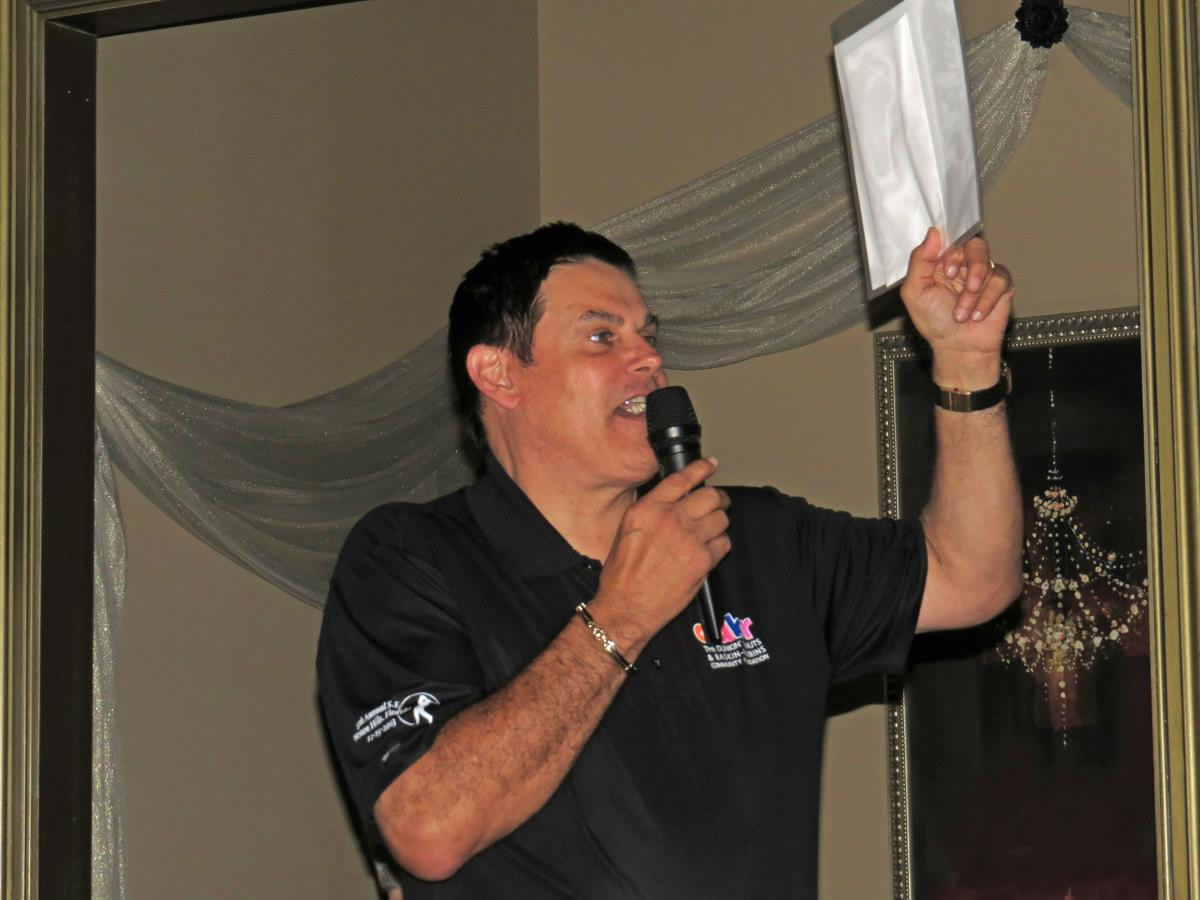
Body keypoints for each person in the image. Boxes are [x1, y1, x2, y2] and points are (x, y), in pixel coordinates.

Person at [316, 222, 1022, 898]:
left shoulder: (757, 537)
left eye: (649, 336)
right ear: (499, 373)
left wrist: (967, 365)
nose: (649, 359)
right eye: (603, 336)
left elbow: (973, 578)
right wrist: (622, 615)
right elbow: (427, 830)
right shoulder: (411, 558)